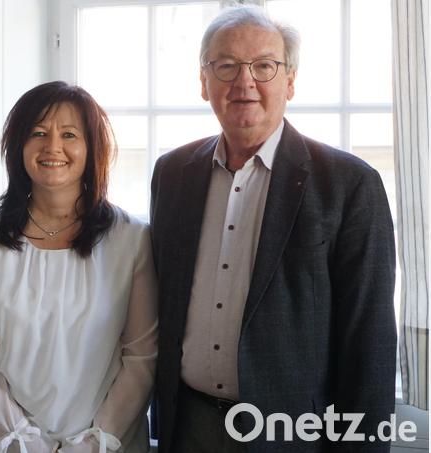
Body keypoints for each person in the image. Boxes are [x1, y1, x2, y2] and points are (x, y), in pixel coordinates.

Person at [150, 5, 396, 453]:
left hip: (291, 435)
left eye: (264, 65)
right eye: (226, 65)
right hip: (187, 425)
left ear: (291, 81)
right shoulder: (172, 174)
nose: (245, 82)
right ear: (204, 82)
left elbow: (369, 344)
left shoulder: (349, 184)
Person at [0, 81, 158, 453]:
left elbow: (141, 355)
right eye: (38, 133)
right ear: (19, 146)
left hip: (107, 444)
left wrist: (95, 442)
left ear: (92, 148)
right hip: (5, 443)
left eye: (69, 134)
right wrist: (20, 440)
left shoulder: (131, 239)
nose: (53, 147)